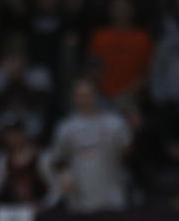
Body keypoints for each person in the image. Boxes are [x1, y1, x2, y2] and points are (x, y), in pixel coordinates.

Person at [45, 78, 132, 212]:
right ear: (74, 98)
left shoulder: (115, 123)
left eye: (88, 94)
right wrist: (64, 175)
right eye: (80, 95)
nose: (85, 99)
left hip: (111, 195)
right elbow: (57, 158)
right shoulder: (66, 128)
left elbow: (128, 153)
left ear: (96, 95)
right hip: (80, 198)